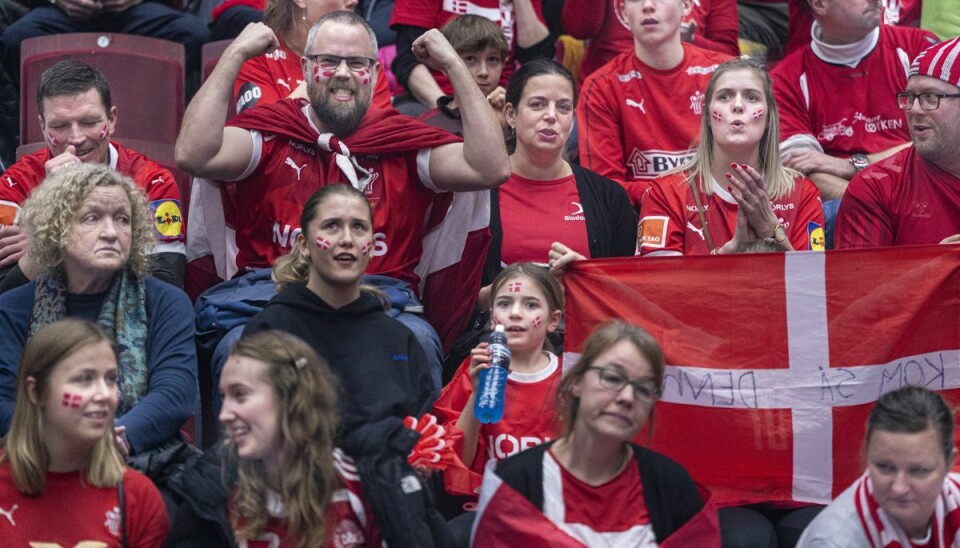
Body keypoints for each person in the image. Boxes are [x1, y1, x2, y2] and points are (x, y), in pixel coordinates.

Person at [176, 11, 509, 351]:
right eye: (329, 61)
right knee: (234, 344)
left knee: (420, 343)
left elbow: (490, 169)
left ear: (375, 73)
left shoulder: (403, 144)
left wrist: (454, 65)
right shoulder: (271, 135)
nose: (343, 74)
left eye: (357, 63)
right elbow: (194, 155)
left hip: (383, 303)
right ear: (306, 68)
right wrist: (234, 54)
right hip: (273, 297)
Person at [0, 163, 197, 460]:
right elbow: (4, 401)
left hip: (141, 456)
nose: (111, 233)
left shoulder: (167, 302)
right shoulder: (13, 308)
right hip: (36, 458)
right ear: (59, 229)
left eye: (122, 220)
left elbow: (174, 394)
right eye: (92, 218)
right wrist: (56, 444)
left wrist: (112, 440)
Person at [471, 320, 720, 545]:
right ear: (576, 382)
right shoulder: (515, 483)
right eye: (612, 378)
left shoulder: (671, 485)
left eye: (644, 389)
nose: (627, 397)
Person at [243, 184, 436, 433]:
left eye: (358, 227)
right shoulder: (267, 331)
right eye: (331, 226)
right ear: (303, 245)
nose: (347, 239)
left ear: (372, 243)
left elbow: (424, 443)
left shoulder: (399, 340)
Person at [168, 329, 381, 546]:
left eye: (240, 395)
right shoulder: (210, 495)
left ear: (291, 399)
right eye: (223, 398)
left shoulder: (367, 483)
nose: (224, 415)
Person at [0, 60, 186, 288]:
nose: (76, 138)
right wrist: (49, 212)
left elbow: (167, 282)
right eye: (60, 126)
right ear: (43, 126)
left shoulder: (152, 181)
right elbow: (5, 291)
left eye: (89, 122)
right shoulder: (15, 184)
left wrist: (45, 243)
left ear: (112, 119)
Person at [0, 319, 168, 546]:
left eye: (111, 379)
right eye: (84, 379)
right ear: (35, 392)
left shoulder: (138, 498)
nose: (104, 395)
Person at [636, 56, 824, 256]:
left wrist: (771, 230)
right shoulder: (664, 193)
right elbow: (660, 285)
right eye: (724, 96)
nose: (737, 106)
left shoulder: (803, 193)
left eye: (752, 97)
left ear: (769, 117)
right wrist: (729, 252)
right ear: (707, 115)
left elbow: (812, 282)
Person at [486, 58, 636, 287]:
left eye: (563, 107)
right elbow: (454, 301)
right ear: (510, 114)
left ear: (573, 120)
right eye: (538, 104)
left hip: (583, 321)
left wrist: (586, 276)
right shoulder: (478, 192)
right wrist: (507, 291)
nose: (551, 115)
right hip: (497, 321)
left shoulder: (609, 197)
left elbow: (628, 293)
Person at [771, 0, 938, 201]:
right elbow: (801, 171)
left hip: (926, 189)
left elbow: (944, 141)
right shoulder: (784, 80)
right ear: (819, 4)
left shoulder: (920, 48)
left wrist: (850, 165)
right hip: (844, 209)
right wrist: (874, 206)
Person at [578, 0, 733, 209]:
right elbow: (604, 188)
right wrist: (683, 194)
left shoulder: (724, 75)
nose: (648, 5)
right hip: (640, 220)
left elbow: (752, 169)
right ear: (623, 13)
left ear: (686, 6)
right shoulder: (601, 87)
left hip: (722, 213)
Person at [434, 263, 563, 497]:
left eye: (530, 304)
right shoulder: (476, 369)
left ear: (553, 320)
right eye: (504, 304)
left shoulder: (569, 378)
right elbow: (455, 462)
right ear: (493, 318)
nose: (514, 313)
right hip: (489, 508)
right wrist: (476, 394)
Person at [835, 35, 960, 248]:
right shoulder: (877, 186)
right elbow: (858, 281)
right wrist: (940, 267)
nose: (914, 109)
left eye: (931, 97)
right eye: (909, 97)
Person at [797, 386, 959, 547]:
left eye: (919, 471)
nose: (899, 488)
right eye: (885, 467)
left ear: (949, 462)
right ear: (866, 456)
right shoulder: (835, 541)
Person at [388, 0, 552, 115]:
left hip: (498, 100)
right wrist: (450, 111)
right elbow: (408, 59)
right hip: (434, 100)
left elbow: (538, 60)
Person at [231, 0, 392, 115]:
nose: (354, 1)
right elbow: (261, 135)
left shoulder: (363, 58)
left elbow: (381, 133)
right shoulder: (258, 58)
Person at [561, 0, 739, 85]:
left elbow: (731, 58)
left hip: (686, 95)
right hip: (612, 92)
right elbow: (579, 29)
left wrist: (689, 42)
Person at [419, 14, 510, 136]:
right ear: (445, 66)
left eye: (492, 60)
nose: (483, 72)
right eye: (470, 59)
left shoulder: (515, 120)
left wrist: (507, 128)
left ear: (503, 64)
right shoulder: (430, 126)